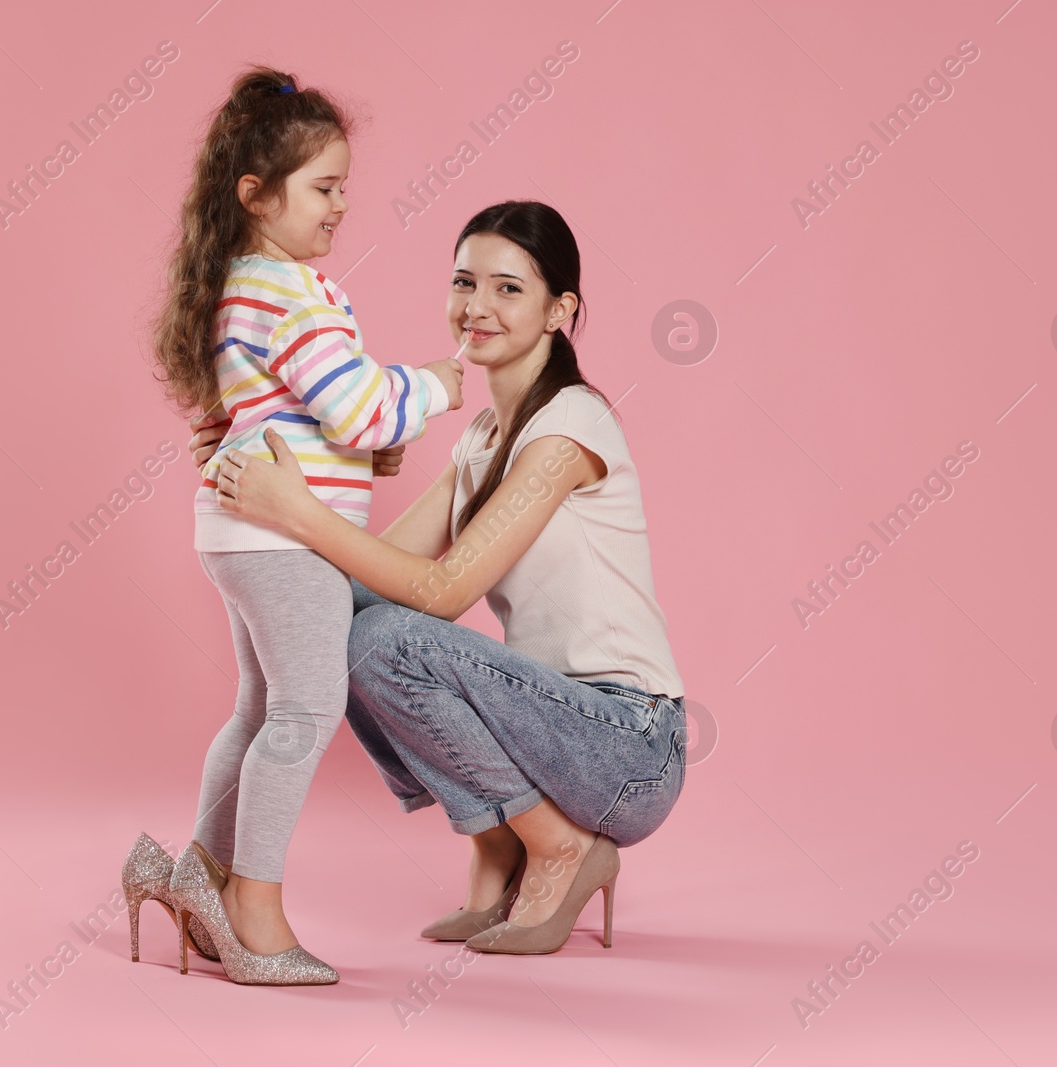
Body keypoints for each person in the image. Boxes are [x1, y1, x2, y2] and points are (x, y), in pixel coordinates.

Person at [199, 199, 687, 956]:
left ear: (562, 310)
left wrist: (297, 512)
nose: (476, 306)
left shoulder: (569, 428)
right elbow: (366, 573)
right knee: (344, 614)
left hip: (630, 741)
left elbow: (444, 591)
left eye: (508, 288)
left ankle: (554, 845)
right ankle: (504, 837)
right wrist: (252, 443)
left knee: (383, 639)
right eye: (464, 282)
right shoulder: (483, 439)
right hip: (552, 727)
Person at [124, 65, 464, 987]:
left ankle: (201, 870)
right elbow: (356, 406)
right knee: (305, 711)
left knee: (257, 709)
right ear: (257, 195)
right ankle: (255, 909)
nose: (341, 205)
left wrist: (351, 453)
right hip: (286, 543)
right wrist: (431, 386)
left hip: (241, 536)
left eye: (344, 186)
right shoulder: (290, 293)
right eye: (324, 187)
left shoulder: (241, 288)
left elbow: (243, 420)